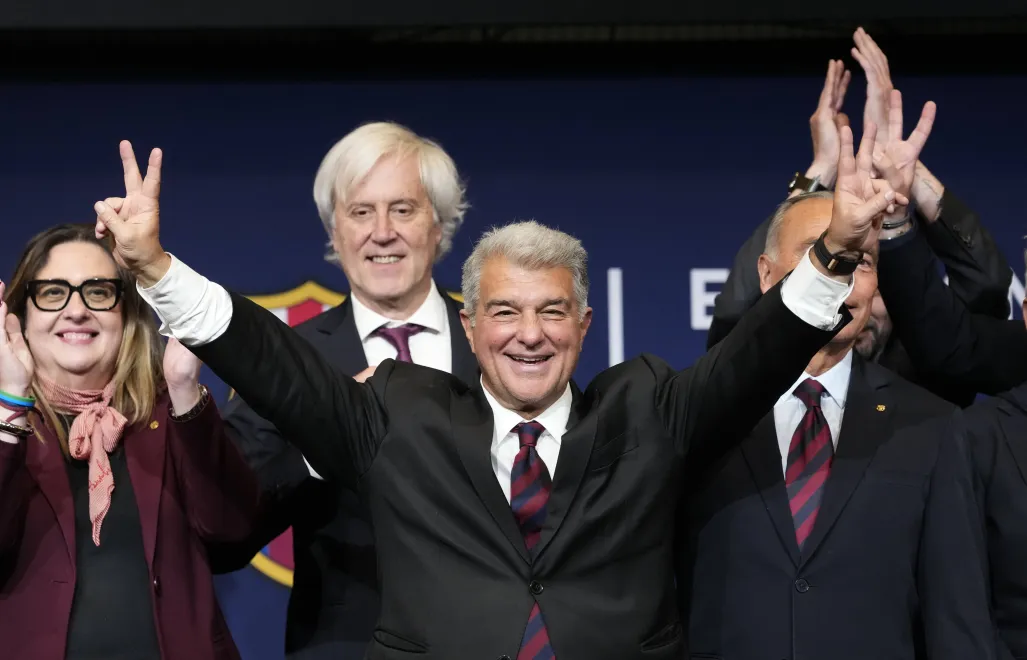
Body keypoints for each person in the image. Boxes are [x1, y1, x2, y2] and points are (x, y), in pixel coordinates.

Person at [94, 123, 899, 659]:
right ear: (470, 326)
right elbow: (270, 357)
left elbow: (754, 358)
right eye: (506, 312)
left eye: (552, 312)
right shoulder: (400, 415)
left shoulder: (645, 409)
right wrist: (158, 269)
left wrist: (833, 252)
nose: (529, 333)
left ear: (585, 326)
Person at [679, 191, 994, 658]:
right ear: (765, 274)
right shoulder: (697, 411)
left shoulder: (931, 425)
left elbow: (957, 619)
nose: (840, 276)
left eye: (860, 261)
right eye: (819, 254)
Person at [210, 121, 478, 659]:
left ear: (439, 225)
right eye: (360, 212)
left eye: (403, 209)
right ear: (335, 232)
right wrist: (322, 443)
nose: (382, 232)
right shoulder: (286, 362)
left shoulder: (497, 344)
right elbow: (226, 530)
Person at [708, 28, 1011, 407]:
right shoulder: (750, 377)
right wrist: (819, 171)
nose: (846, 291)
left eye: (867, 269)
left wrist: (908, 174)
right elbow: (737, 311)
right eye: (832, 269)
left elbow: (987, 289)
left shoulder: (932, 376)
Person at [0, 224, 259, 659]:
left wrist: (183, 392)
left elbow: (233, 533)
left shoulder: (169, 411)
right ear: (20, 316)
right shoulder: (6, 423)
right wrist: (10, 405)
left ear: (127, 313)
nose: (76, 310)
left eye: (98, 292)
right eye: (52, 293)